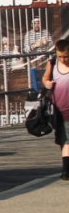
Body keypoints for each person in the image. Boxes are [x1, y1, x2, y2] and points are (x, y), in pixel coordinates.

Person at [41, 37, 69, 182]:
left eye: (66, 56)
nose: (63, 59)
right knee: (64, 140)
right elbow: (45, 78)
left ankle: (66, 171)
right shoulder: (52, 63)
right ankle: (66, 169)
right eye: (60, 56)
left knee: (66, 141)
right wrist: (47, 83)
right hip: (59, 110)